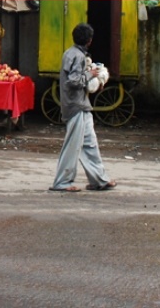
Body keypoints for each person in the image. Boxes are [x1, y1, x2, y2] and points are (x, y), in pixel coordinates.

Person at [50, 22, 116, 193]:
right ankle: (62, 182)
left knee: (90, 144)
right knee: (73, 145)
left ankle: (99, 180)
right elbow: (73, 81)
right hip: (75, 105)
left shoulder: (70, 53)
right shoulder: (78, 56)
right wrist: (90, 74)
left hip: (80, 105)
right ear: (89, 41)